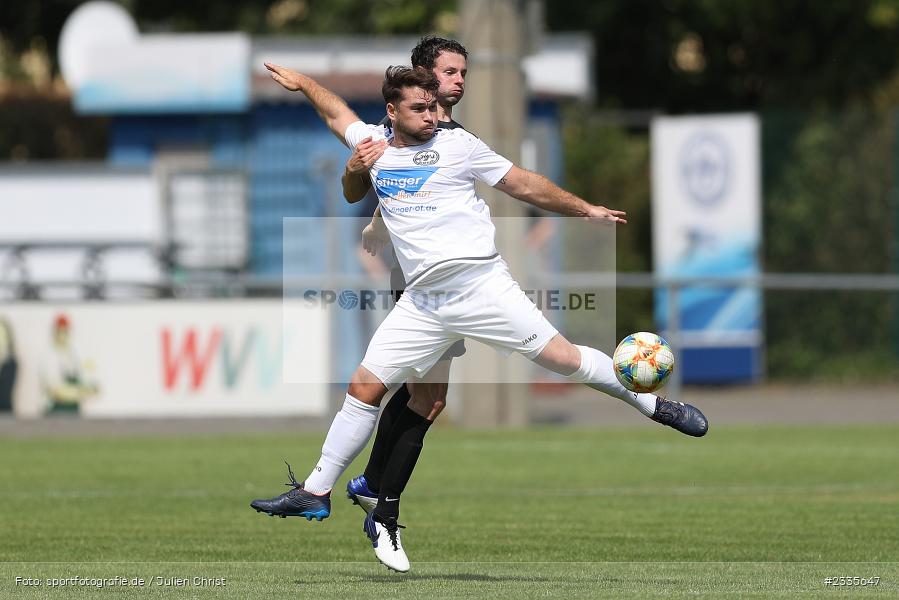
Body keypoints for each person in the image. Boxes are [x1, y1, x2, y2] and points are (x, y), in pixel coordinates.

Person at [251, 63, 708, 573]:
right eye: (419, 108)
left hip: (480, 285)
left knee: (565, 359)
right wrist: (304, 84)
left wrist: (583, 210)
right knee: (364, 388)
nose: (430, 117)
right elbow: (335, 112)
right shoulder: (372, 144)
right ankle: (317, 491)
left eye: (432, 107)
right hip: (423, 302)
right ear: (391, 111)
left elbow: (523, 184)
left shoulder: (458, 145)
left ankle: (651, 404)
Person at [340, 36, 469, 531]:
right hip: (423, 281)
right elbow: (386, 173)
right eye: (450, 71)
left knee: (426, 398)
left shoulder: (447, 132)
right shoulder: (404, 127)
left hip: (448, 278)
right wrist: (374, 217)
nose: (458, 81)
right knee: (425, 397)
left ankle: (372, 485)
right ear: (422, 73)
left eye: (462, 73)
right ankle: (376, 497)